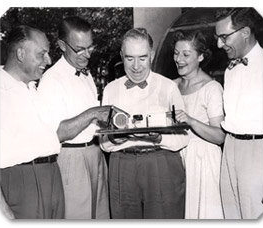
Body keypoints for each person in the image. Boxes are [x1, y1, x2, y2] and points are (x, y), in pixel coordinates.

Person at [0, 25, 123, 219]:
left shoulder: (31, 87)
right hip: (30, 173)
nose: (48, 61)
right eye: (42, 54)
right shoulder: (41, 82)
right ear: (21, 54)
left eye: (90, 48)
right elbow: (59, 131)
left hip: (53, 170)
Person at [99, 28, 189, 219]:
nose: (136, 66)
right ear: (122, 56)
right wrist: (117, 138)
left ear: (152, 55)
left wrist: (159, 137)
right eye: (130, 58)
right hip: (122, 166)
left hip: (161, 163)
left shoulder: (168, 87)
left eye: (142, 58)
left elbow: (183, 138)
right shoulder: (110, 90)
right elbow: (104, 143)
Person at [38, 16, 109, 219]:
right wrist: (92, 113)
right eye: (79, 49)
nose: (86, 55)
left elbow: (92, 124)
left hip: (95, 154)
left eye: (90, 48)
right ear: (62, 45)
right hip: (71, 159)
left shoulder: (86, 75)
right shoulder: (52, 80)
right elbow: (57, 133)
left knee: (100, 216)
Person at [215, 8, 263, 219]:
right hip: (230, 147)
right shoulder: (230, 69)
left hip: (259, 150)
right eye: (218, 38)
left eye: (224, 37)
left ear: (245, 32)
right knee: (232, 215)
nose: (219, 44)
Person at [172, 30, 225, 219]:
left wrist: (191, 121)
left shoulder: (211, 88)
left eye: (186, 54)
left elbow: (220, 136)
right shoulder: (171, 86)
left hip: (204, 161)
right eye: (176, 53)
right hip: (177, 159)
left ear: (201, 56)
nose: (179, 59)